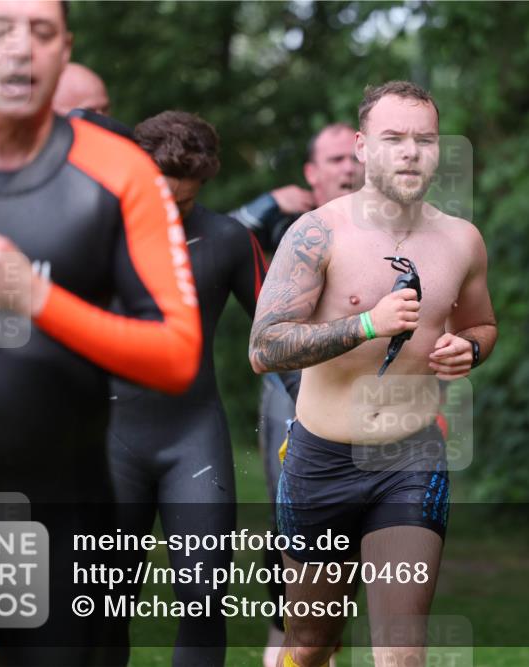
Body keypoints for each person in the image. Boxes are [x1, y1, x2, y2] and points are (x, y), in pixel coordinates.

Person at [0, 1, 200, 664]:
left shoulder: (120, 173)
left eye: (42, 31)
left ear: (65, 49)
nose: (22, 48)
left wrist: (37, 297)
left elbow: (175, 354)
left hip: (61, 517)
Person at [249, 81, 497, 667]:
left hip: (410, 459)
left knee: (401, 650)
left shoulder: (461, 240)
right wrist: (366, 324)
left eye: (424, 140)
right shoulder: (318, 232)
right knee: (312, 643)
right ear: (363, 146)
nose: (410, 152)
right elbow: (264, 348)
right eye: (393, 138)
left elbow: (483, 324)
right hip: (320, 460)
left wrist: (469, 348)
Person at [106, 110, 267, 667]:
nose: (170, 214)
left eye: (185, 202)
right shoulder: (97, 230)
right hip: (110, 438)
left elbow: (284, 336)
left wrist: (315, 407)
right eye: (160, 199)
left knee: (204, 602)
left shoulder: (228, 239)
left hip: (192, 439)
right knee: (103, 605)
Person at [232, 124, 364, 667]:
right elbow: (212, 237)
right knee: (291, 516)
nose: (348, 168)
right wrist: (267, 202)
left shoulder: (387, 226)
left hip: (366, 390)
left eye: (353, 157)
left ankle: (324, 643)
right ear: (311, 173)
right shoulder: (288, 223)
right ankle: (283, 640)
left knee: (361, 517)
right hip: (291, 387)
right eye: (334, 159)